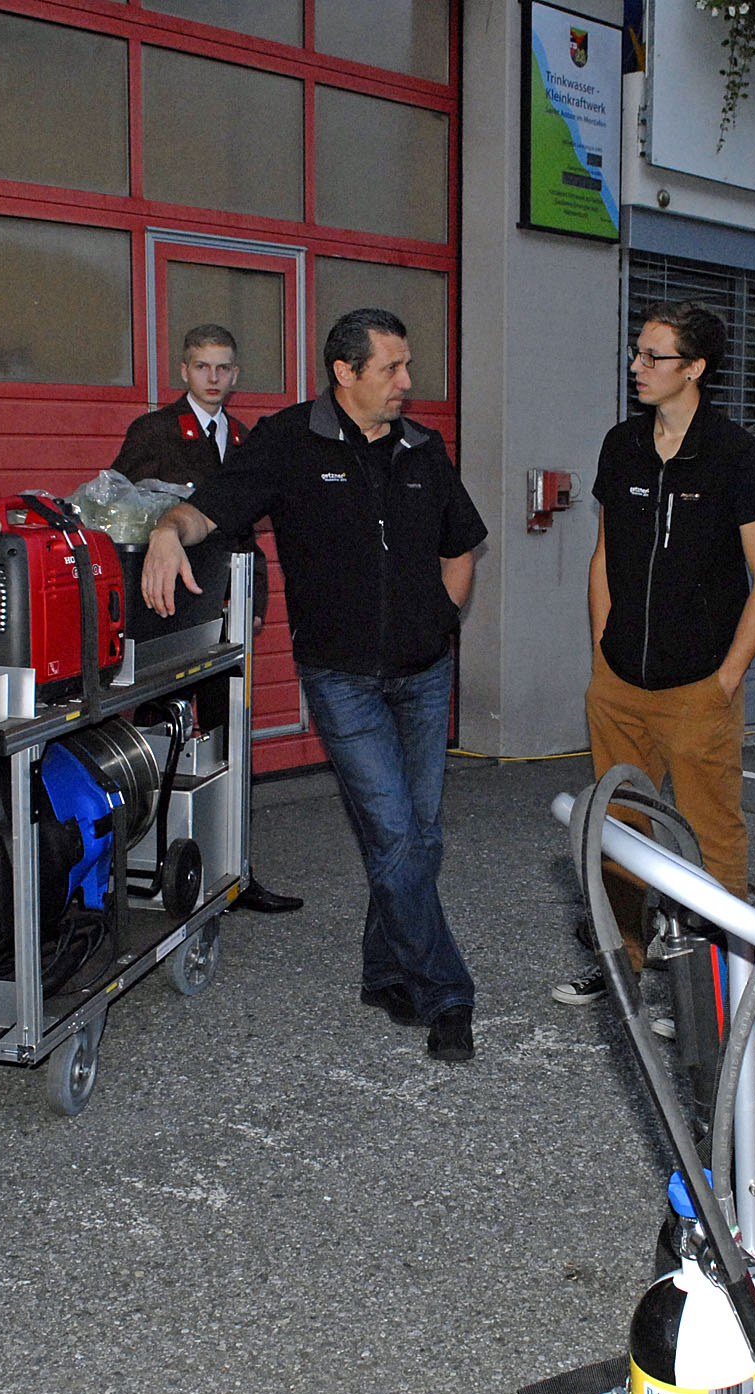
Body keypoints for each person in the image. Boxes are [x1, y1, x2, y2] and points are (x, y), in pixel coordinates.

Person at [140, 309, 486, 1062]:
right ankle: (446, 993)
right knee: (394, 832)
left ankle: (385, 975)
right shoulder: (289, 441)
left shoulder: (423, 448)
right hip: (343, 679)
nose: (407, 381)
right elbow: (210, 509)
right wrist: (167, 529)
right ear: (345, 372)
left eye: (406, 365)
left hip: (426, 675)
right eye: (391, 368)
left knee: (418, 835)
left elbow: (462, 544)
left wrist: (441, 619)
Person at [552, 301, 755, 1014]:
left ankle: (720, 993)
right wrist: (602, 651)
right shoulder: (621, 445)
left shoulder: (735, 454)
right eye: (637, 353)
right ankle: (622, 963)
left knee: (713, 837)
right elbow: (603, 556)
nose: (637, 366)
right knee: (619, 829)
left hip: (699, 688)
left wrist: (727, 679)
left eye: (654, 356)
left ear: (695, 368)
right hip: (619, 682)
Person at [108, 322, 301, 915]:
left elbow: (248, 533)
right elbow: (122, 514)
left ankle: (234, 869)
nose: (213, 378)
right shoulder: (154, 432)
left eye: (223, 368)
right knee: (153, 736)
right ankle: (140, 864)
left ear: (235, 374)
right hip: (169, 607)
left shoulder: (244, 440)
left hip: (225, 604)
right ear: (184, 371)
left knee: (228, 733)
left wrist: (256, 603)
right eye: (202, 367)